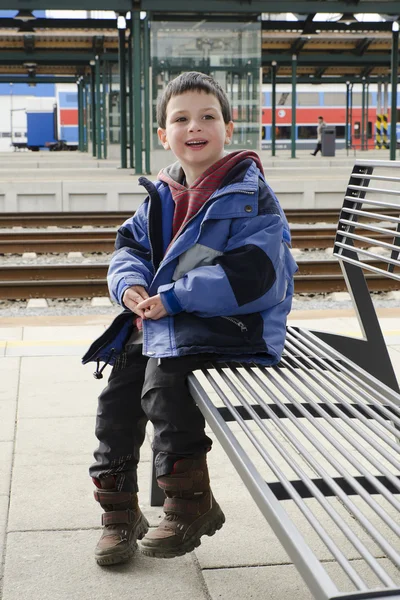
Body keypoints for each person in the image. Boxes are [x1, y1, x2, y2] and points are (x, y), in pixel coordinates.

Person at [82, 71, 298, 567]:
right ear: (164, 135)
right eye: (180, 119)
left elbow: (258, 276)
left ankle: (190, 502)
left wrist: (175, 298)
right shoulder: (163, 194)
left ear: (228, 128)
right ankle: (119, 515)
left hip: (235, 323)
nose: (194, 126)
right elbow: (128, 248)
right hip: (172, 318)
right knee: (115, 400)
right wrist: (130, 287)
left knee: (165, 377)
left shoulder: (250, 196)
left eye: (208, 117)